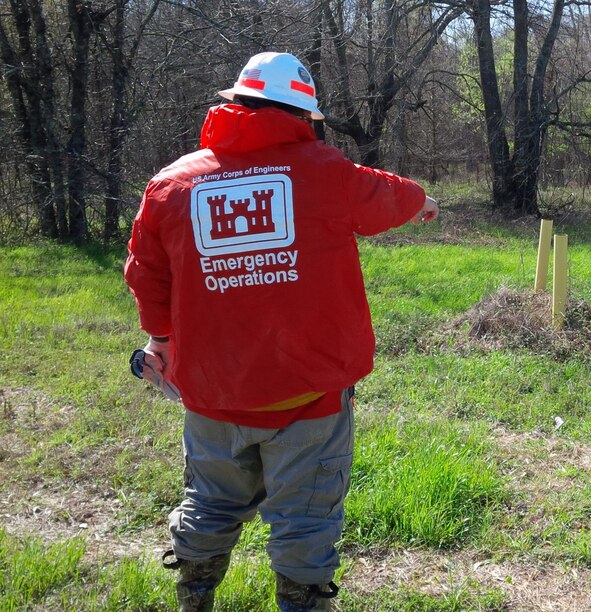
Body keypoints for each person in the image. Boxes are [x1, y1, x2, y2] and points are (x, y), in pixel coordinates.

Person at [124, 51, 438, 612]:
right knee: (306, 521)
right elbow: (391, 194)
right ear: (304, 114)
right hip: (309, 397)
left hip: (213, 396)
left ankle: (193, 596)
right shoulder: (327, 172)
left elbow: (147, 274)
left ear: (232, 103)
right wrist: (423, 202)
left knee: (211, 502)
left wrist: (160, 341)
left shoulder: (170, 186)